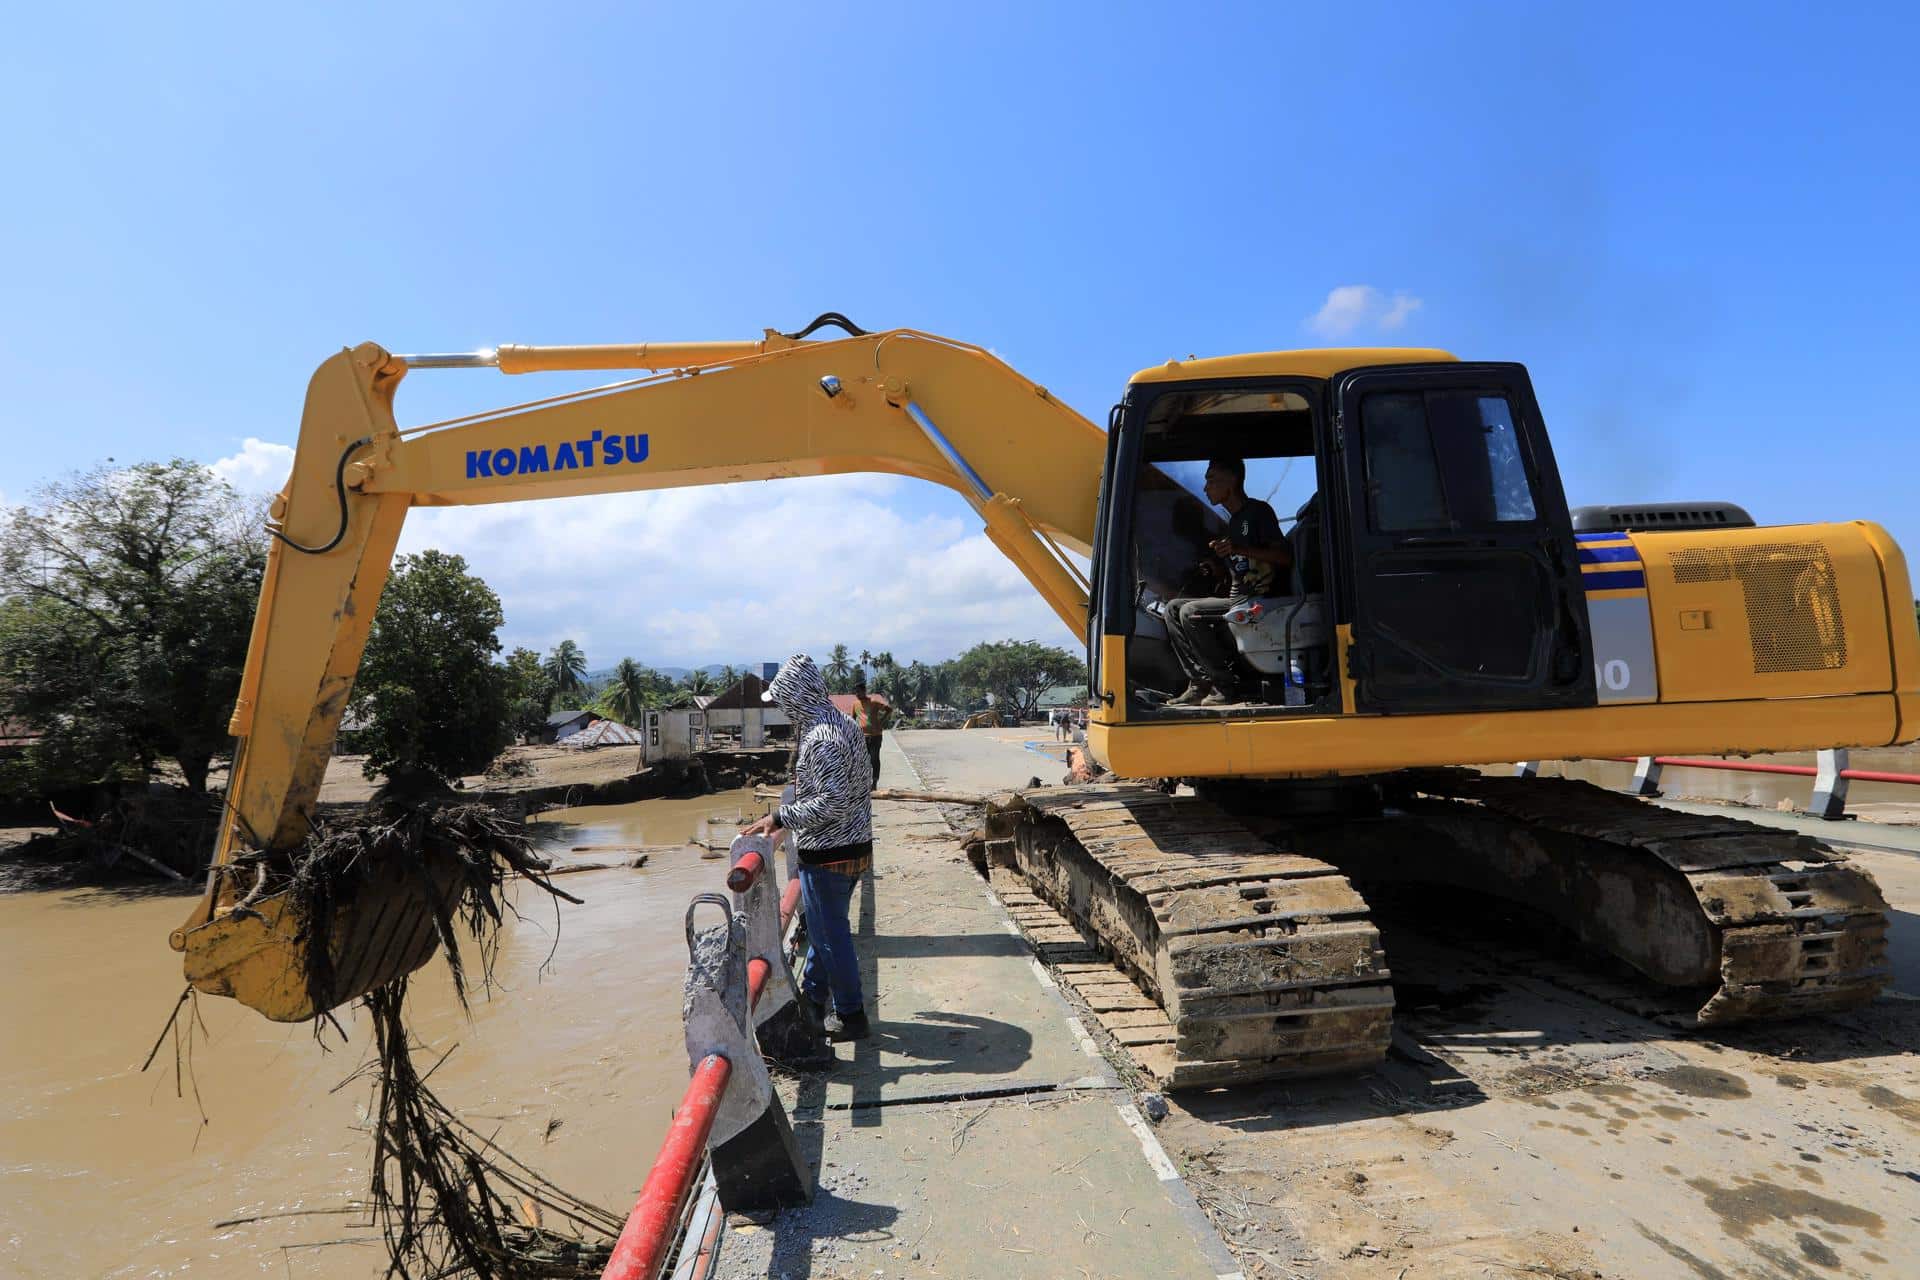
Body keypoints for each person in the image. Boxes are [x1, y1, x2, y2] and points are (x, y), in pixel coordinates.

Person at [745, 654, 875, 1042]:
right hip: (853, 846)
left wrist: (780, 817)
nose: (783, 710)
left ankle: (851, 1015)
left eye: (783, 701)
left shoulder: (821, 739)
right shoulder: (843, 723)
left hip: (830, 853)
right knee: (823, 929)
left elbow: (831, 803)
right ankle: (814, 1000)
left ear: (796, 697)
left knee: (831, 937)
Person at [1164, 458, 1292, 706]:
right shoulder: (1234, 522)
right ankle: (1200, 683)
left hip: (1261, 601)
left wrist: (1237, 549)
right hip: (1238, 599)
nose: (1205, 488)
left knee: (1190, 612)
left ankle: (1224, 686)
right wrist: (1219, 569)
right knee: (1173, 608)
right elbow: (1243, 568)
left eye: (1211, 480)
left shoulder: (1258, 512)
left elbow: (1284, 557)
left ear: (1231, 481)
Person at [850, 670, 891, 787]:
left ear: (864, 691)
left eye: (858, 691)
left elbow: (889, 709)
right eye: (855, 692)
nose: (857, 694)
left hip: (876, 735)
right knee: (863, 760)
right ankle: (864, 781)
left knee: (874, 758)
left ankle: (875, 781)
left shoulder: (873, 702)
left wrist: (881, 721)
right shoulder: (855, 704)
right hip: (862, 736)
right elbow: (852, 719)